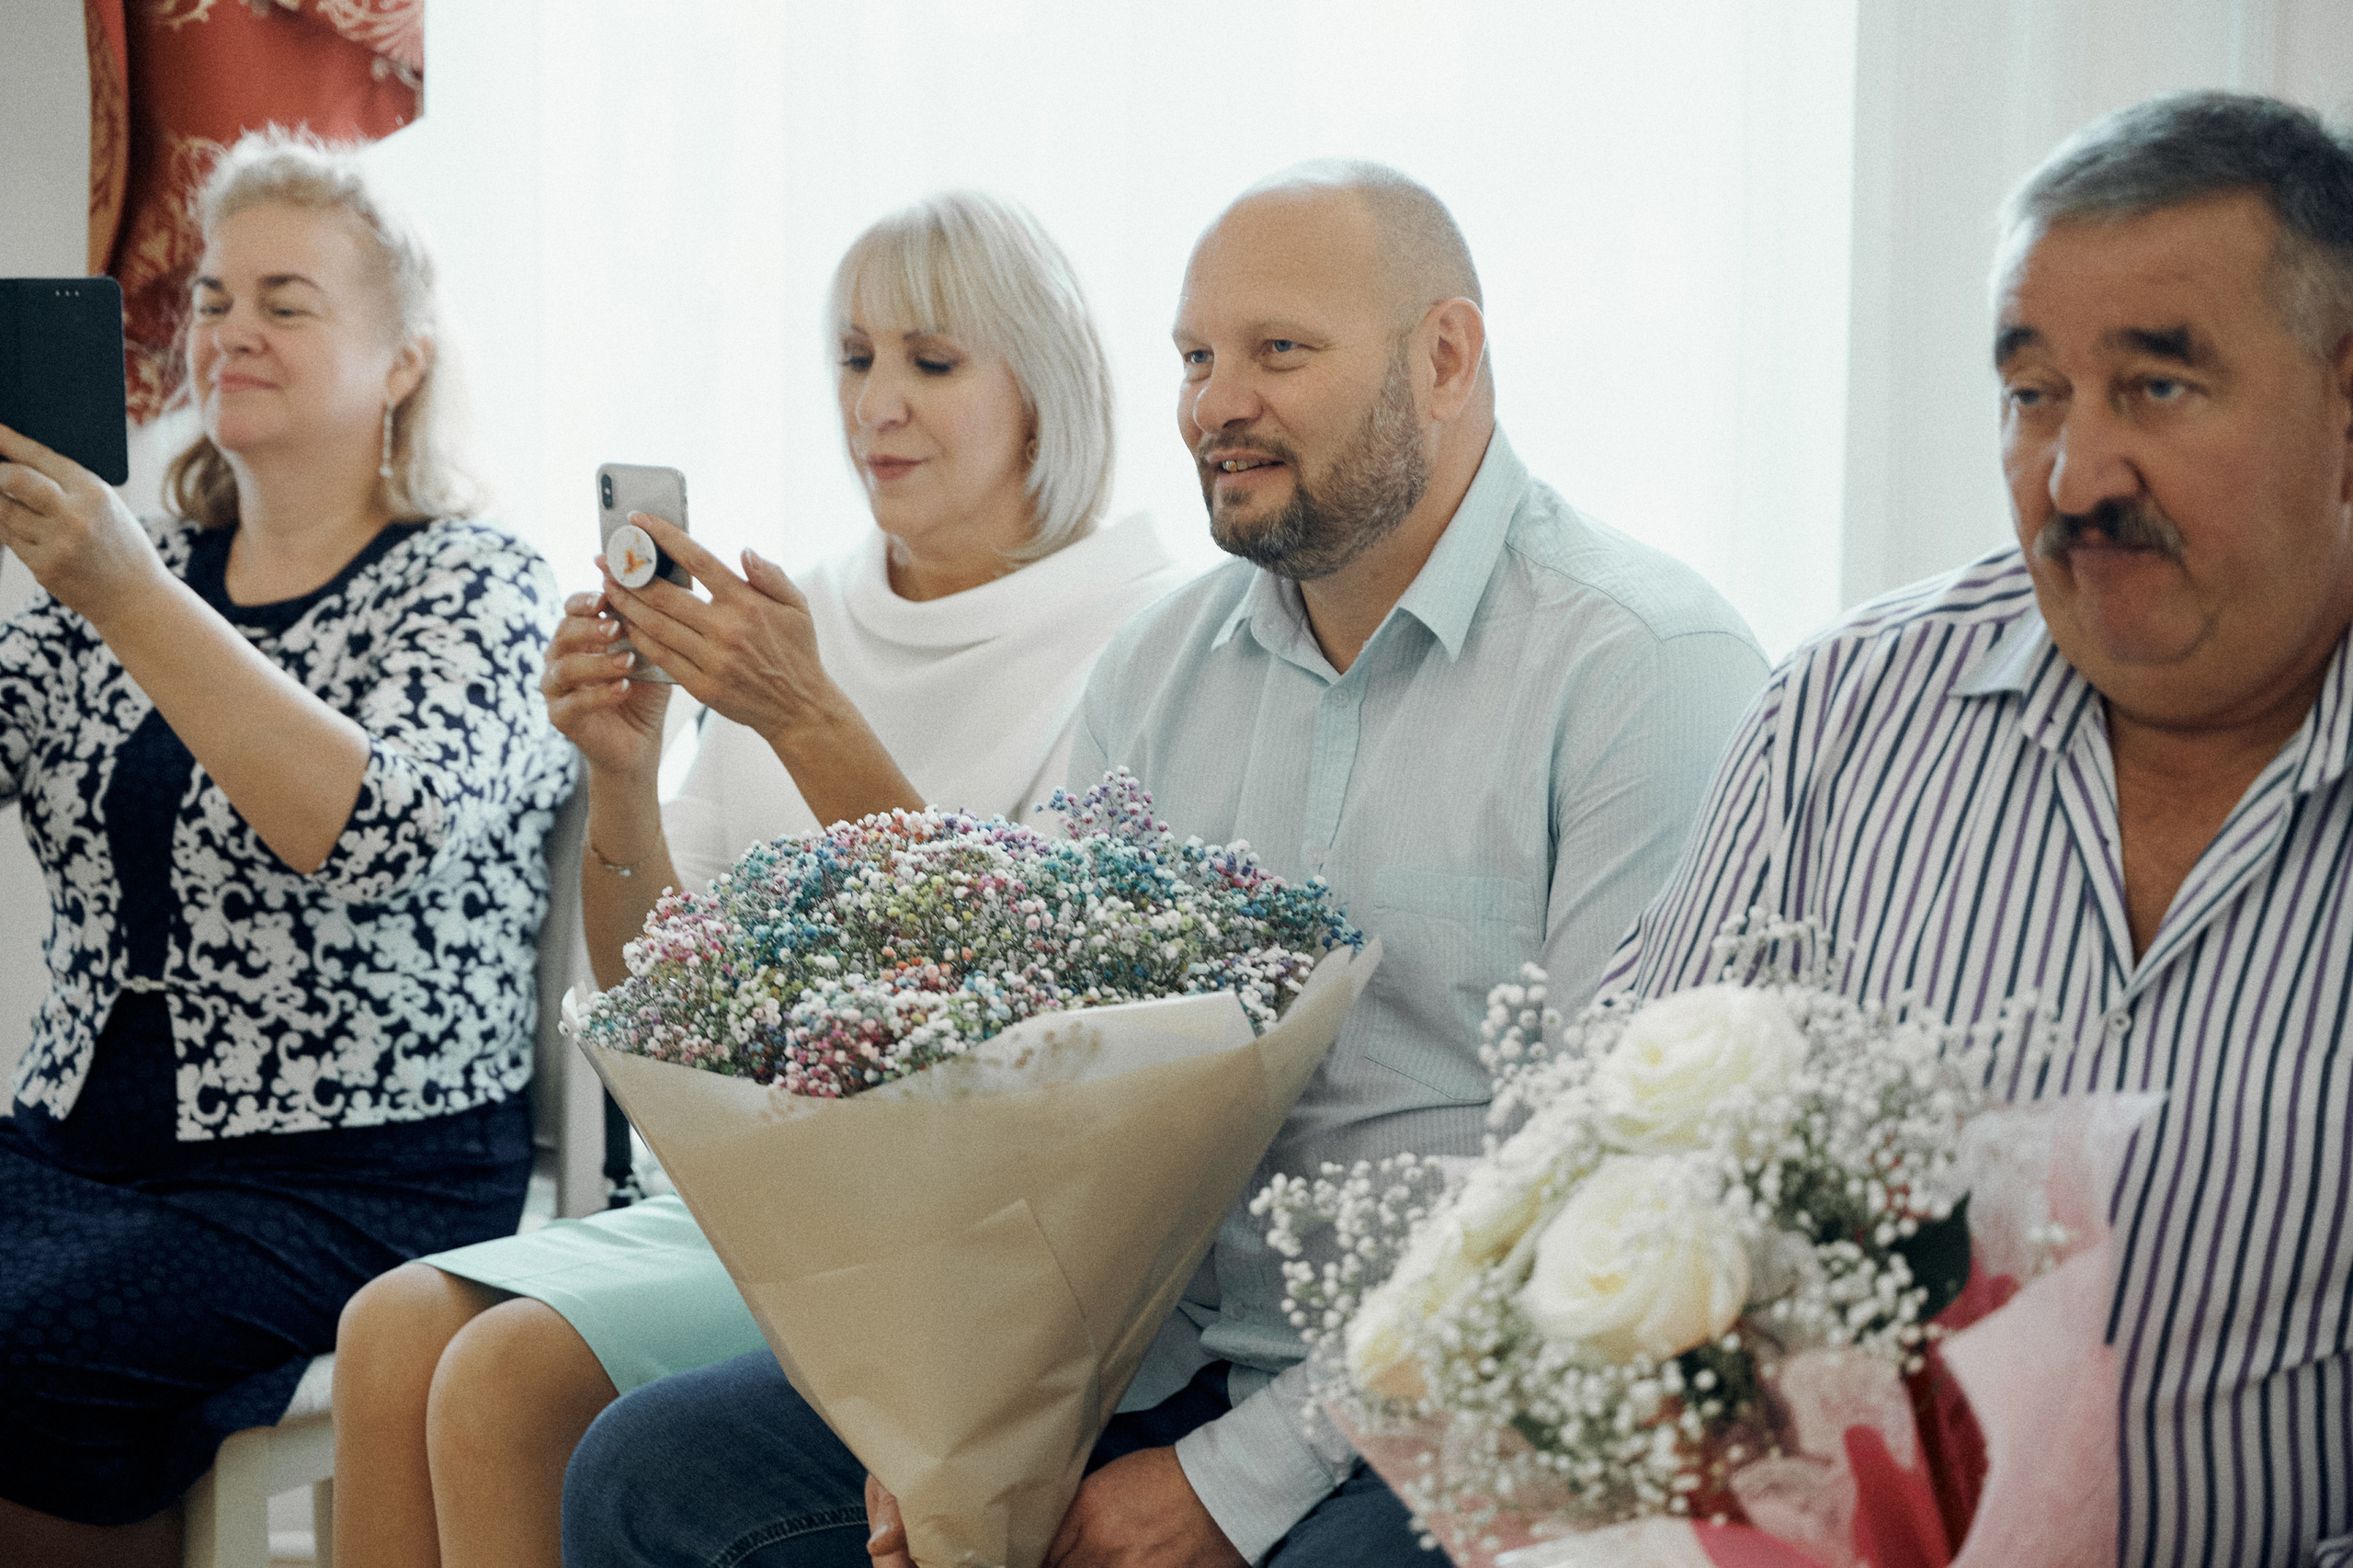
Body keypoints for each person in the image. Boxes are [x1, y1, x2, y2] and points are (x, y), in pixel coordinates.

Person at [559, 161, 1768, 1568]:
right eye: (1196, 357)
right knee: (646, 1478)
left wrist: (1227, 1486)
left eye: (1279, 352)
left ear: (1446, 358)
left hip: (1457, 1399)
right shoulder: (1159, 666)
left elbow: (1595, 1197)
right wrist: (952, 1403)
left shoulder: (1642, 668)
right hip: (1155, 1357)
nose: (1213, 403)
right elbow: (1046, 1086)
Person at [328, 189, 1188, 1568]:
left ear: (1045, 390)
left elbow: (1041, 1006)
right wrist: (621, 769)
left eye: (931, 360)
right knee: (389, 1330)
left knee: (499, 1379)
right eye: (854, 360)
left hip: (947, 1244)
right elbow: (663, 993)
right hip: (747, 1197)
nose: (877, 406)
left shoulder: (1144, 637)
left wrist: (808, 720)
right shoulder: (807, 615)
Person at [1604, 91, 2353, 1568]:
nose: (2077, 479)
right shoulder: (1843, 714)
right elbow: (1618, 1168)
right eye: (2032, 394)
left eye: (2157, 388)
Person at [0, 131, 573, 1568]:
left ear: (403, 362)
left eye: (286, 300)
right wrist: (119, 580)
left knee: (23, 1344)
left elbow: (375, 829)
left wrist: (125, 594)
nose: (229, 329)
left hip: (358, 1171)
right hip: (87, 1141)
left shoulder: (477, 585)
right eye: (208, 296)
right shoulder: (137, 557)